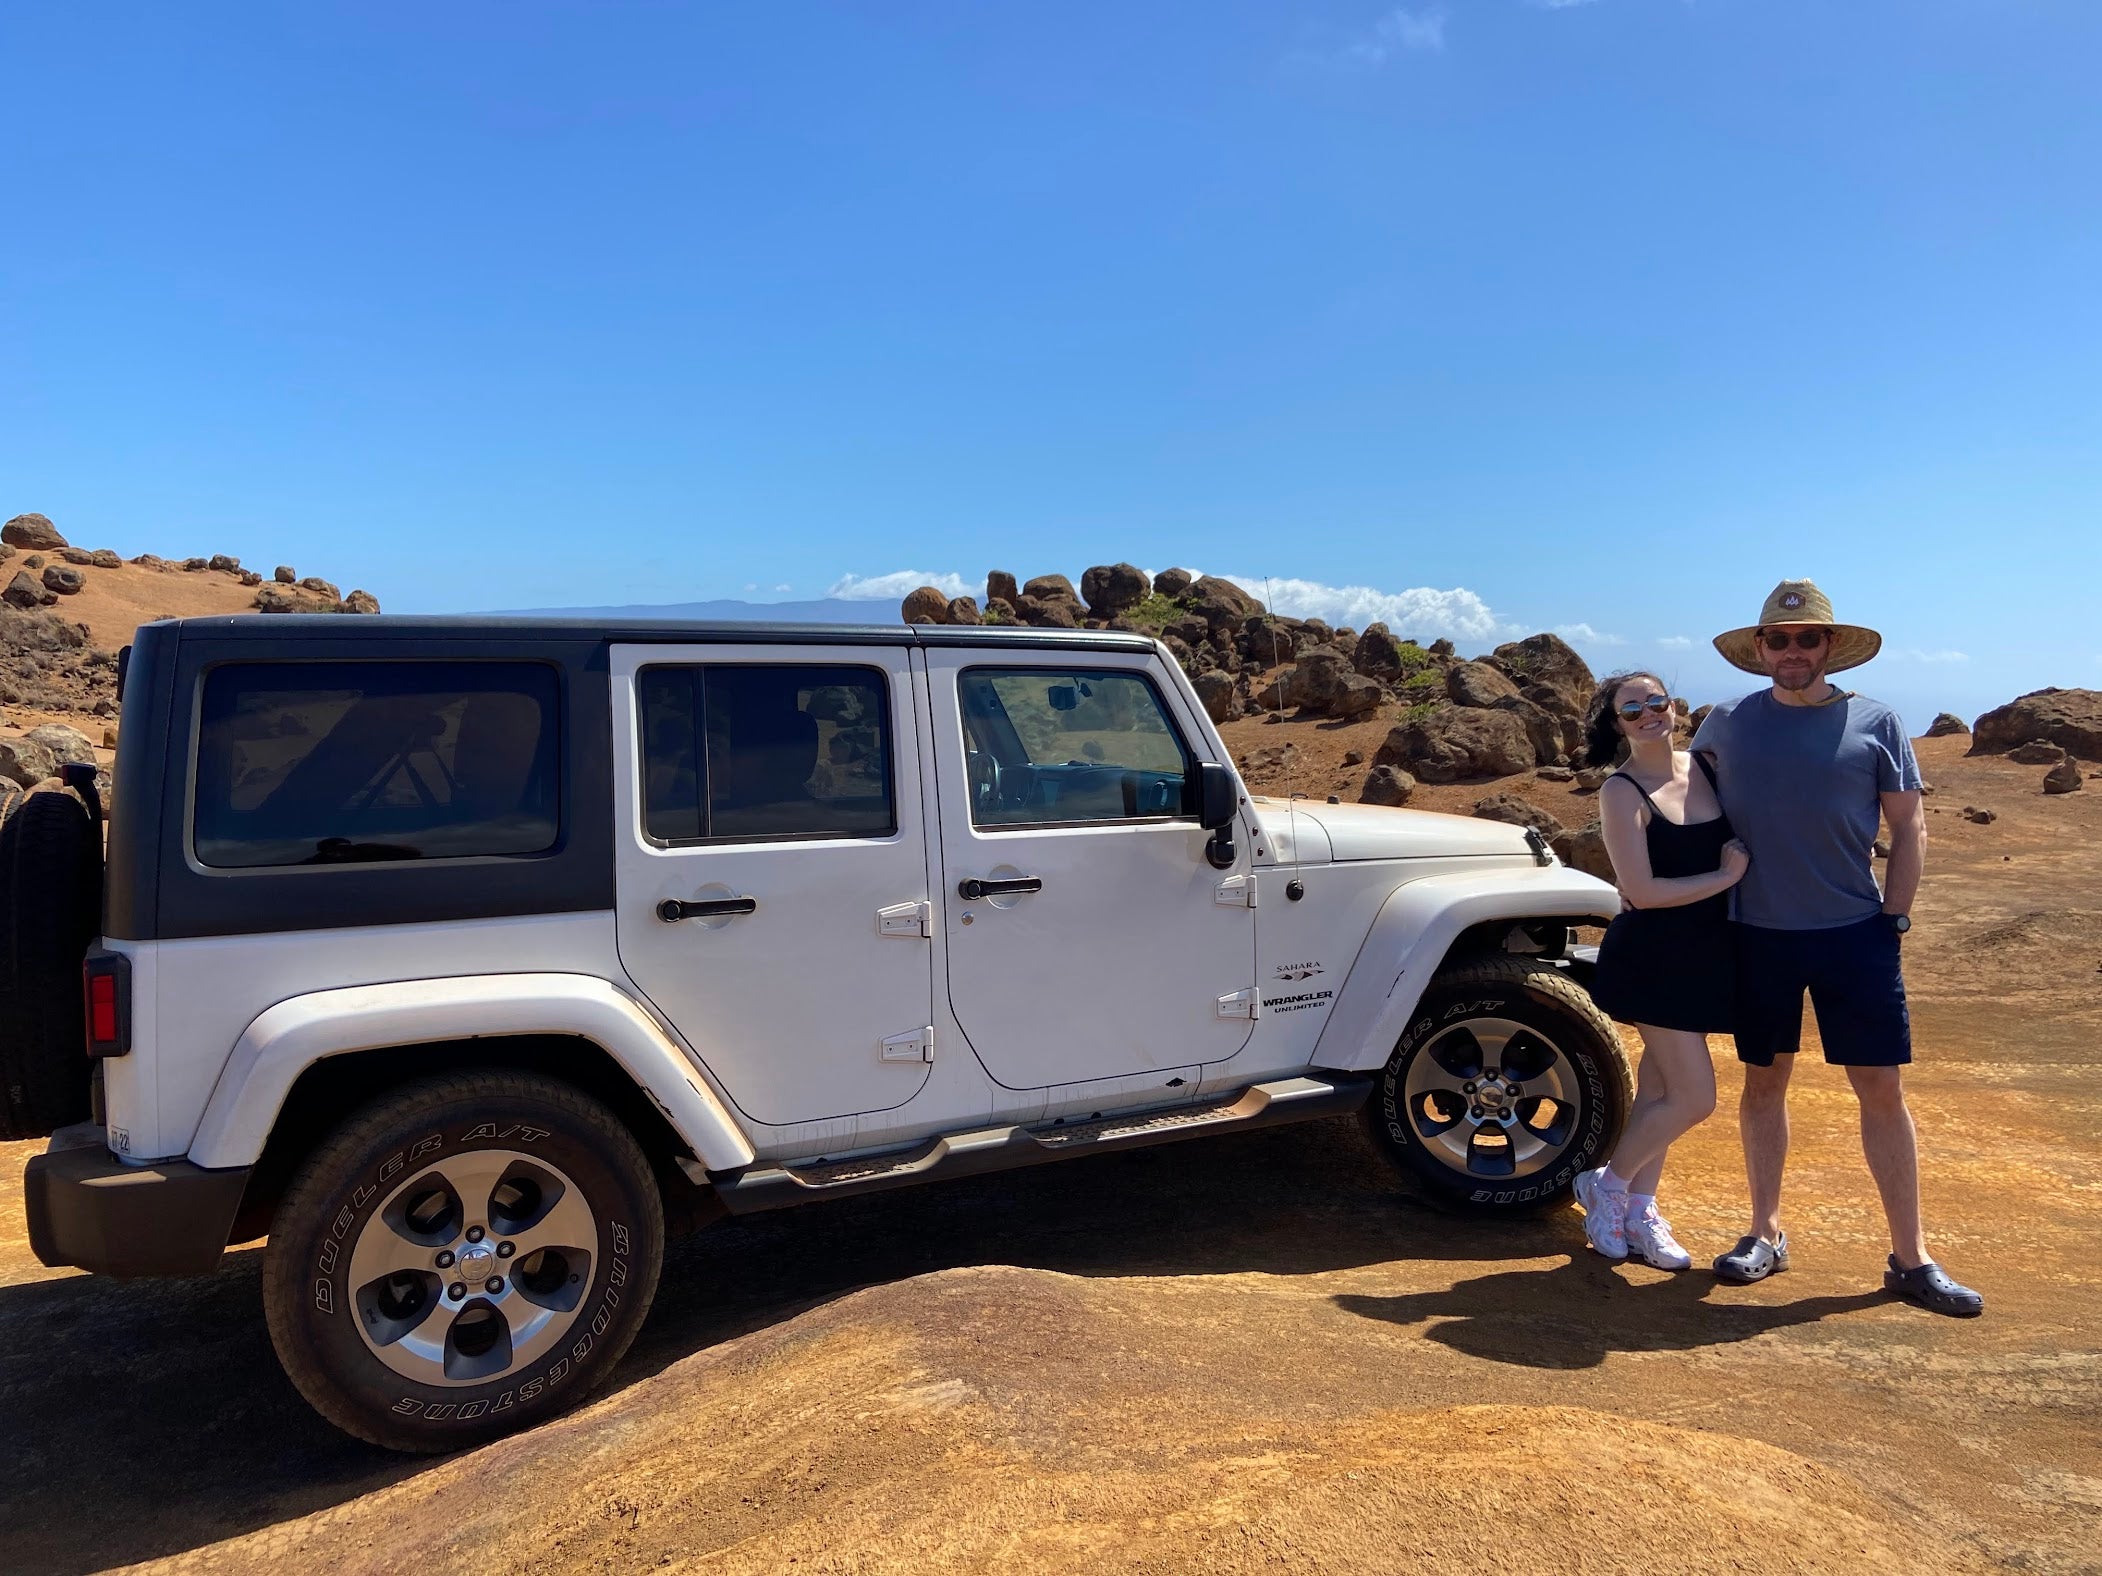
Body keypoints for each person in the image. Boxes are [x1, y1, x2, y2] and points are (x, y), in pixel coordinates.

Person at [1692, 579, 1982, 1316]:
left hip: (1856, 935)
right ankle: (1764, 1234)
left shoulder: (1877, 723)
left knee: (1881, 1090)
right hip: (1754, 934)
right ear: (1760, 650)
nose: (1793, 652)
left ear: (1829, 647)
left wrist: (1896, 916)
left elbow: (1910, 827)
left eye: (1807, 639)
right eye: (1780, 640)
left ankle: (1911, 1259)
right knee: (1764, 1084)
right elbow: (1685, 813)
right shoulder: (1724, 724)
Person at [1573, 672, 1749, 1270]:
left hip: (1705, 957)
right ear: (1615, 724)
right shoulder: (1621, 792)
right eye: (1632, 710)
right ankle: (1608, 1186)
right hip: (1653, 959)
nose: (1649, 714)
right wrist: (1724, 879)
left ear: (1673, 706)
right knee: (1696, 1098)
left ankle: (1641, 1208)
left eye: (1657, 702)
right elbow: (1640, 891)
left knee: (1659, 1091)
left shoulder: (1707, 766)